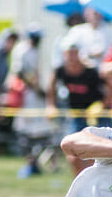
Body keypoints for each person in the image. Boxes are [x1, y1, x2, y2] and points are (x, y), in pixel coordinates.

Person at [46, 41, 107, 176]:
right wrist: (51, 105)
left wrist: (101, 106)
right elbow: (51, 86)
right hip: (75, 115)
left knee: (93, 153)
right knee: (72, 154)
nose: (72, 57)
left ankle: (91, 181)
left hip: (95, 117)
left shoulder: (91, 71)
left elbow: (111, 88)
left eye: (74, 53)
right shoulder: (60, 71)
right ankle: (79, 182)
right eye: (69, 54)